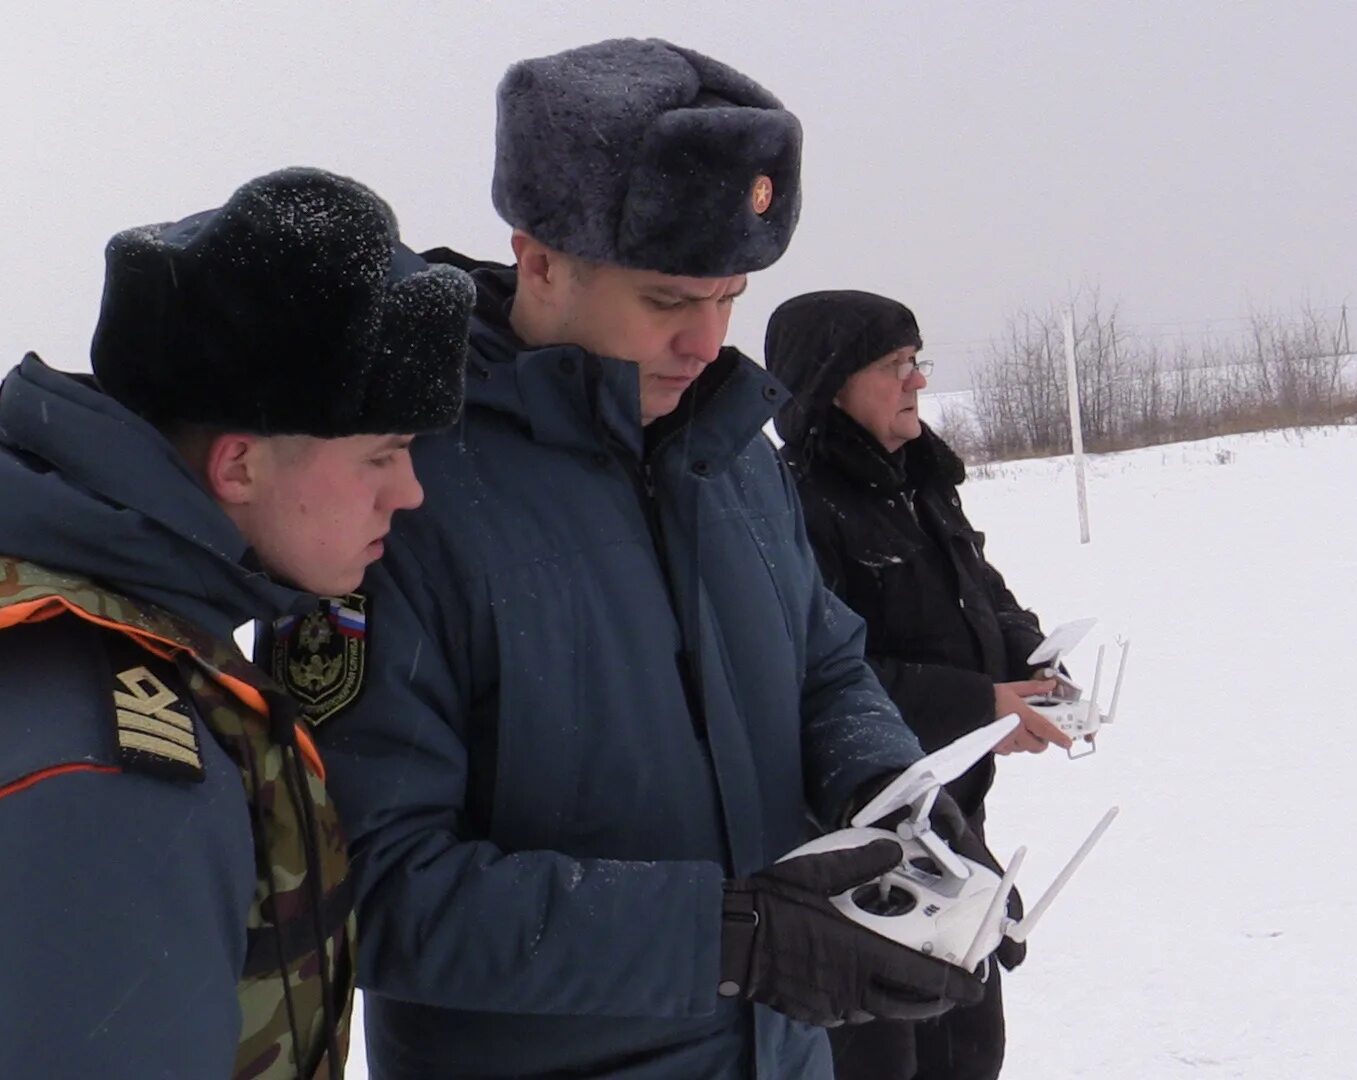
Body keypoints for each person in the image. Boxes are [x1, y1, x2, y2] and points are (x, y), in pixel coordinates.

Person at [290, 40, 988, 1080]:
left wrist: (897, 800)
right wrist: (723, 940)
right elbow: (367, 890)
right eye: (667, 302)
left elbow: (827, 666)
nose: (707, 343)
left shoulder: (738, 459)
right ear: (538, 260)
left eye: (731, 298)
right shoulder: (394, 492)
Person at [0, 167, 475, 1079]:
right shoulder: (83, 785)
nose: (411, 492)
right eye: (382, 455)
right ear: (238, 467)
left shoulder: (92, 632)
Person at [766, 290, 1073, 1080]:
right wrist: (978, 707)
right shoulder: (788, 504)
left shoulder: (919, 479)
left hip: (957, 827)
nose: (917, 383)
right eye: (895, 366)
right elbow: (817, 676)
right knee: (880, 1062)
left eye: (917, 362)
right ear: (832, 384)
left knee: (970, 1051)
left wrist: (1032, 659)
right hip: (858, 855)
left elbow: (982, 591)